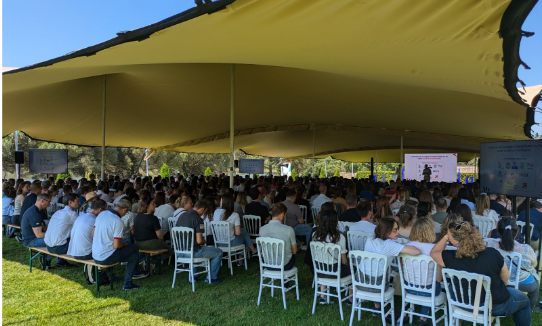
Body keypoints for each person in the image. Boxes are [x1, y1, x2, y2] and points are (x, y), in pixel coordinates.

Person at [430, 220, 531, 326]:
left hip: (461, 304)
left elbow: (433, 252)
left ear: (456, 242)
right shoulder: (493, 253)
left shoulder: (450, 257)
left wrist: (446, 236)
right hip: (495, 306)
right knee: (524, 301)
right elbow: (505, 279)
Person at [363, 217, 421, 321]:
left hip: (361, 282)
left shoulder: (370, 239)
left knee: (379, 273)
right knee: (384, 278)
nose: (398, 231)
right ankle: (391, 312)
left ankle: (377, 308)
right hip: (377, 286)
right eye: (395, 229)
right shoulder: (389, 244)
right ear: (386, 231)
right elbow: (416, 252)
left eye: (397, 228)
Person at [92, 198, 148, 291]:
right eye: (126, 213)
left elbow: (93, 233)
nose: (125, 215)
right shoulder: (117, 221)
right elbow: (117, 246)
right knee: (135, 248)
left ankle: (130, 279)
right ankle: (129, 282)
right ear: (125, 209)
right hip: (107, 256)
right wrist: (125, 244)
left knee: (133, 256)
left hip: (95, 254)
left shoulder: (102, 214)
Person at [485, 217, 539, 310]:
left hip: (497, 280)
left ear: (498, 232)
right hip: (521, 282)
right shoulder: (526, 249)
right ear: (517, 232)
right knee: (535, 286)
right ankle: (529, 308)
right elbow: (534, 264)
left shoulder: (490, 244)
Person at [404, 217, 442, 326]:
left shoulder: (405, 246)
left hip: (408, 288)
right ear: (430, 231)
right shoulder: (435, 249)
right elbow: (438, 279)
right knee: (434, 284)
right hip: (427, 290)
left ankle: (408, 312)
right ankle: (423, 318)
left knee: (429, 284)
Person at [176, 200, 224, 284]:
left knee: (196, 247)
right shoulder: (198, 220)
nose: (204, 213)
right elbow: (199, 241)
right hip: (193, 252)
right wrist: (204, 241)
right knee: (218, 252)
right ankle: (211, 277)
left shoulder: (182, 216)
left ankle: (193, 276)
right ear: (202, 209)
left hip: (180, 252)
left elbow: (174, 232)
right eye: (205, 211)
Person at [311, 209, 352, 304]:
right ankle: (351, 299)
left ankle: (323, 296)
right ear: (335, 222)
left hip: (319, 272)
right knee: (354, 269)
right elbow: (344, 261)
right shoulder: (339, 237)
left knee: (325, 263)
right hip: (335, 273)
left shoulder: (315, 235)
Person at [44, 193, 80, 267]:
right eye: (77, 201)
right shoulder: (72, 214)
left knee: (65, 235)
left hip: (48, 245)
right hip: (58, 248)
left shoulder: (58, 212)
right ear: (70, 202)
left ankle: (59, 261)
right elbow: (81, 228)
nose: (79, 203)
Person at [259, 202, 297, 271]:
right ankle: (285, 280)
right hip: (284, 265)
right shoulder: (289, 230)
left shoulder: (262, 229)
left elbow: (262, 250)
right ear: (282, 214)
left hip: (268, 264)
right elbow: (294, 251)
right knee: (292, 256)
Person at [133, 197, 173, 261]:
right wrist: (161, 241)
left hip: (137, 242)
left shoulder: (137, 217)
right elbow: (160, 235)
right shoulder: (153, 218)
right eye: (153, 203)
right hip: (151, 243)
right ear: (147, 205)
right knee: (170, 251)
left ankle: (146, 261)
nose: (155, 205)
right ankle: (151, 261)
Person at [21, 193, 53, 268]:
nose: (49, 204)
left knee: (58, 241)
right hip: (31, 241)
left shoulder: (35, 210)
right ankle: (46, 259)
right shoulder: (34, 213)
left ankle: (48, 261)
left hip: (31, 238)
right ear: (42, 201)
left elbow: (43, 227)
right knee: (58, 243)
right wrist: (54, 235)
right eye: (48, 202)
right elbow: (39, 235)